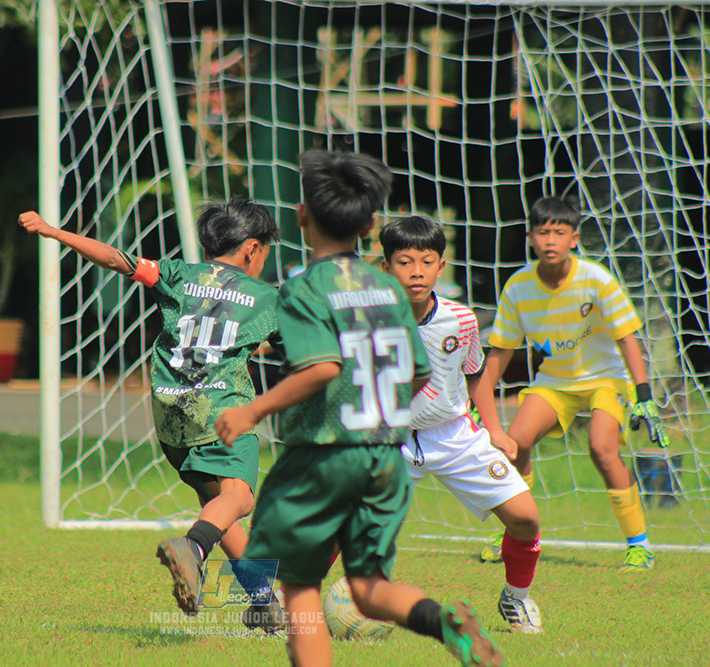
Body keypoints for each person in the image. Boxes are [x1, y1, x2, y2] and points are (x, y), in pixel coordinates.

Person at [215, 150, 504, 667]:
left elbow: (322, 368)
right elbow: (418, 371)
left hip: (322, 457)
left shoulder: (305, 287)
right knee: (368, 587)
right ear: (373, 226)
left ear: (301, 214)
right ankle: (441, 621)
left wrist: (253, 411)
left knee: (299, 591)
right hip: (385, 459)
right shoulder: (388, 289)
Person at [18, 199, 285, 629]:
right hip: (220, 409)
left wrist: (55, 231)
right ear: (252, 249)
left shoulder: (179, 274)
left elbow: (114, 259)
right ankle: (192, 550)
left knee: (217, 506)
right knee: (239, 498)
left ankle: (263, 602)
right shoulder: (267, 298)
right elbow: (298, 352)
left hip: (170, 411)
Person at [478, 195, 670, 573]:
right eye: (543, 233)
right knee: (514, 445)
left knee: (601, 447)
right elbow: (497, 356)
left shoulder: (596, 280)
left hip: (605, 380)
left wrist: (644, 394)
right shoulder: (518, 287)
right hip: (554, 382)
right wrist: (480, 407)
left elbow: (627, 338)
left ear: (575, 239)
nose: (550, 241)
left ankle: (639, 545)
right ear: (529, 237)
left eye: (559, 233)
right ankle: (515, 532)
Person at [379, 215, 542, 634]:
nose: (416, 272)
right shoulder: (369, 320)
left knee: (525, 517)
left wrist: (495, 428)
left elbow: (475, 374)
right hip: (387, 439)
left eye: (427, 261)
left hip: (453, 433)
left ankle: (517, 599)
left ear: (441, 265)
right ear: (385, 267)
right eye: (404, 261)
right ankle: (291, 604)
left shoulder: (462, 319)